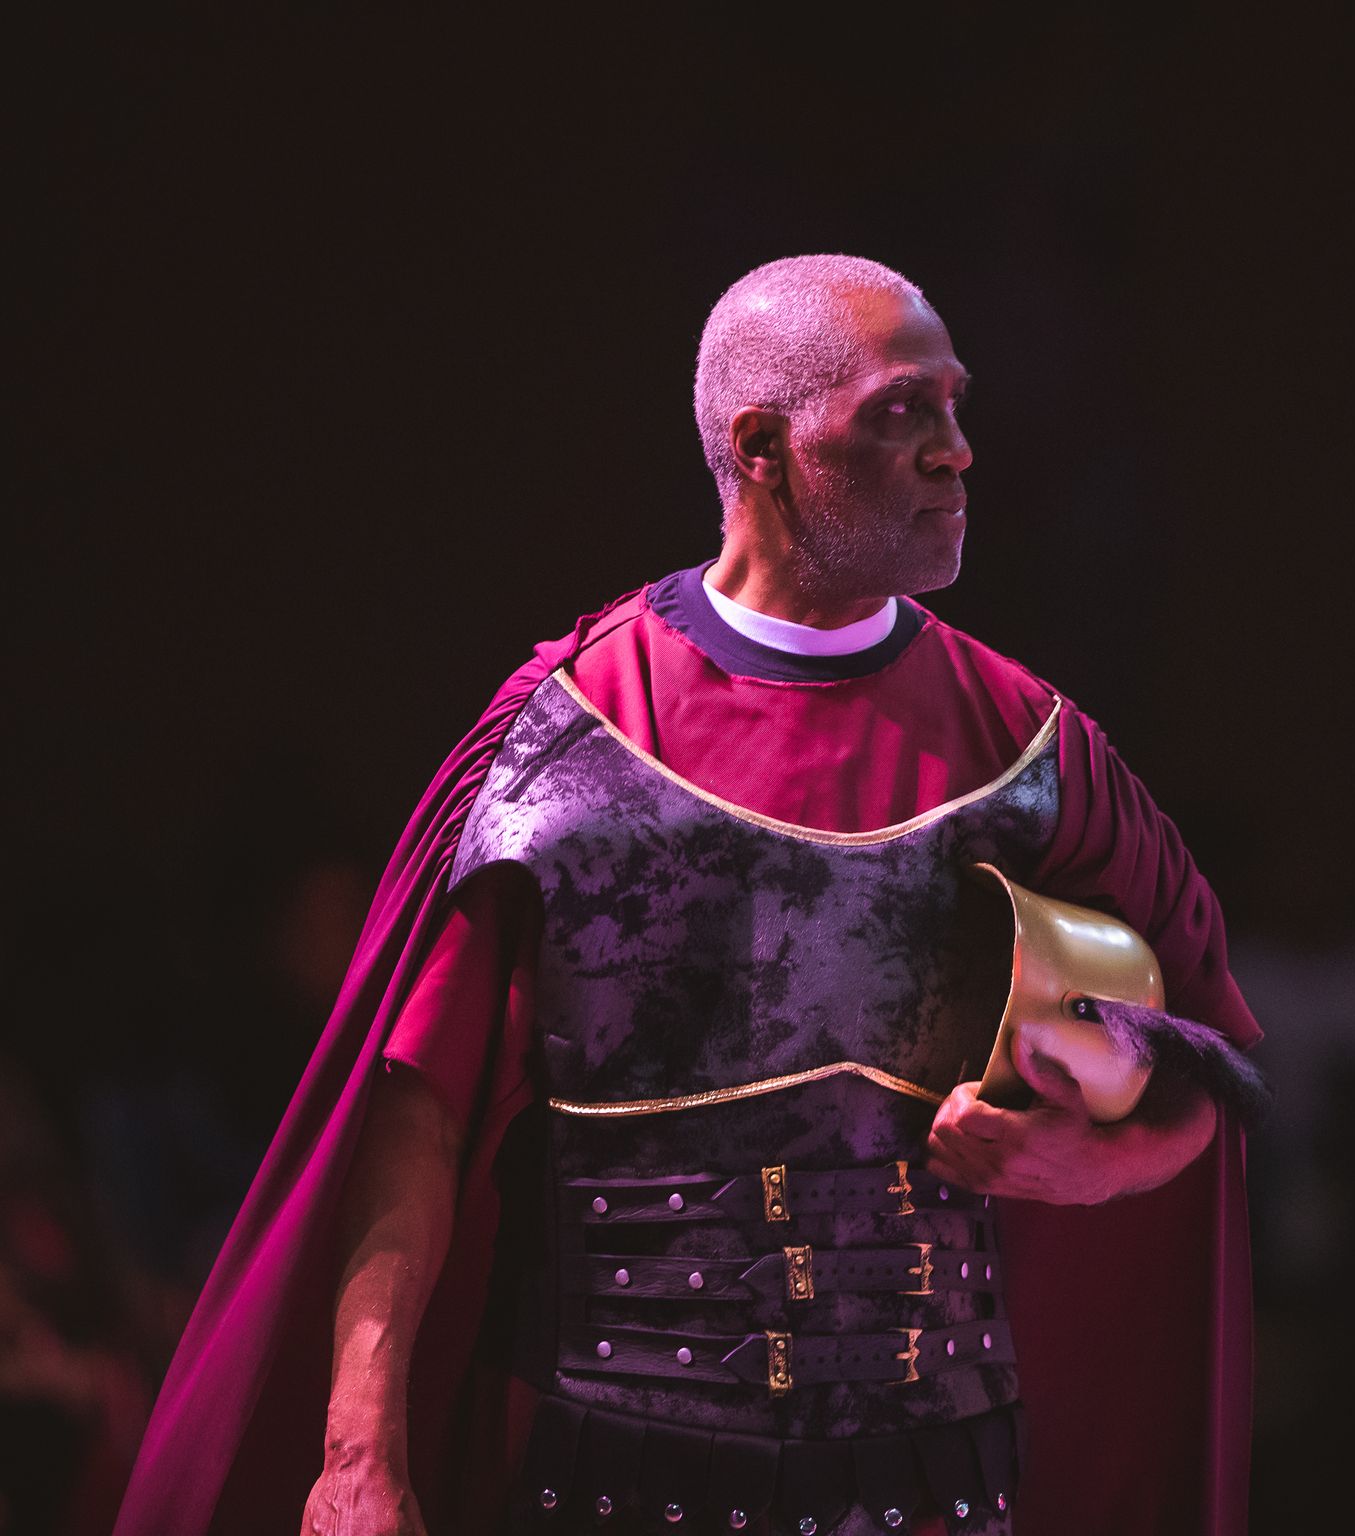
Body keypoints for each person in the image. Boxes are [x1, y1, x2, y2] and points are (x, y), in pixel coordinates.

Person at [114, 256, 1262, 1536]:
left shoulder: (1036, 749)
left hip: (934, 1489)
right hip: (610, 1479)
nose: (957, 453)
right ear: (763, 446)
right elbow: (417, 1109)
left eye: (957, 407)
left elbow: (1205, 1078)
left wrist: (1093, 1169)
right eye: (902, 412)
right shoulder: (566, 732)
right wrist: (355, 1451)